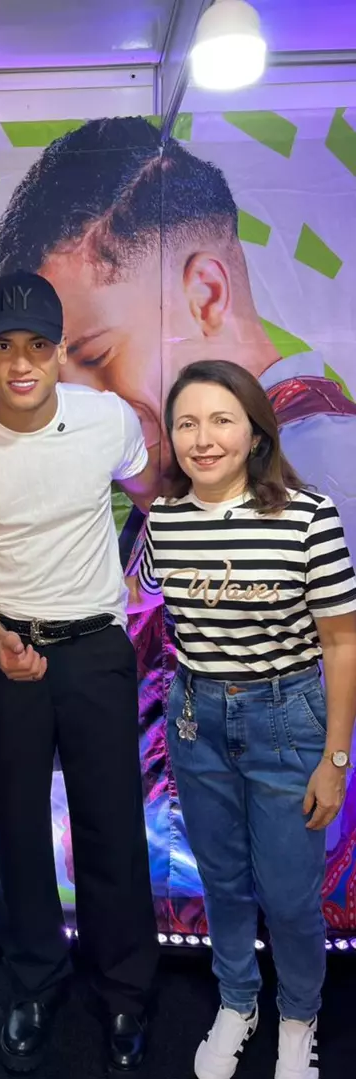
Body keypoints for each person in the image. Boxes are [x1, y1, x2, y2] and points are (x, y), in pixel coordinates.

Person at [0, 115, 356, 925]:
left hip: (289, 927)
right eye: (36, 358)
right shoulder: (159, 502)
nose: (65, 394)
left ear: (206, 293)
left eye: (89, 354)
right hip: (189, 926)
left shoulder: (322, 468)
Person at [0, 269, 159, 1074]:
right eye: (3, 346)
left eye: (36, 345)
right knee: (18, 830)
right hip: (6, 651)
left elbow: (151, 498)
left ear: (59, 351)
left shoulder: (106, 420)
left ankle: (125, 992)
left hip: (95, 649)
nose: (20, 363)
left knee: (112, 827)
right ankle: (33, 983)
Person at [128, 359, 356, 1080]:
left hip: (288, 717)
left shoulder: (307, 516)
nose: (202, 439)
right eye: (186, 423)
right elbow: (140, 603)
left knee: (289, 896)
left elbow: (341, 642)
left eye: (221, 420)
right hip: (195, 719)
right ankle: (236, 1001)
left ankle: (298, 1015)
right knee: (221, 882)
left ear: (255, 432)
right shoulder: (166, 522)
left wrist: (335, 759)